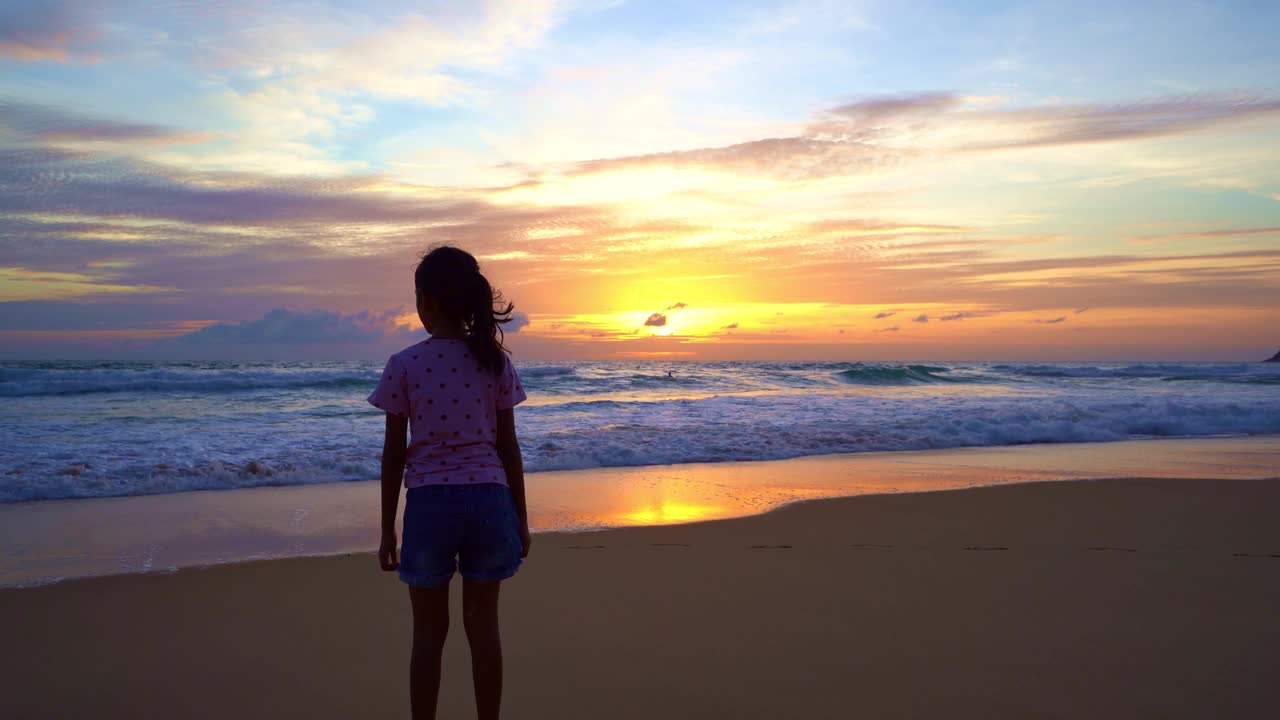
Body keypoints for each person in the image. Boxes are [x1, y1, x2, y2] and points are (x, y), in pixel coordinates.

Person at [368, 245, 530, 720]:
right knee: (484, 632)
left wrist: (386, 528)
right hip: (489, 500)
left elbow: (394, 453)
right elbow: (509, 449)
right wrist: (521, 519)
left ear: (428, 302)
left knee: (428, 636)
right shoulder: (494, 361)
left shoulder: (405, 363)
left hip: (429, 505)